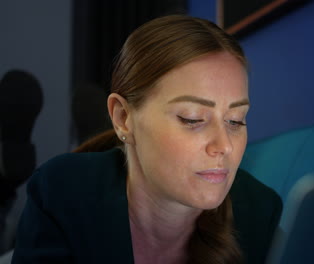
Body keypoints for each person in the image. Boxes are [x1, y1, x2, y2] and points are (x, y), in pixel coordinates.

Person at [12, 15, 282, 264]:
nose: (224, 145)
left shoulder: (261, 212)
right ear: (123, 118)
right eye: (192, 118)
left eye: (235, 120)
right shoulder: (61, 192)